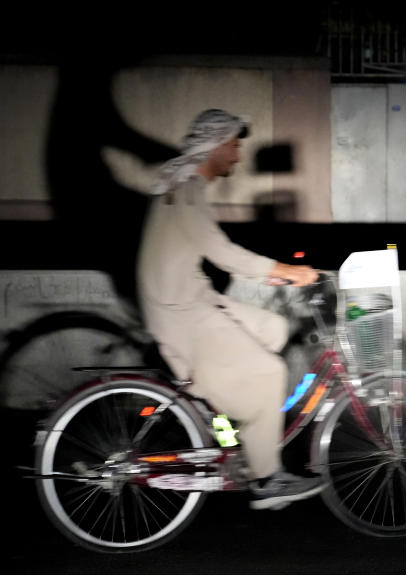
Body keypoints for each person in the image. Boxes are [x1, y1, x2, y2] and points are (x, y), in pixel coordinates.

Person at [138, 108, 324, 510]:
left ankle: (230, 425)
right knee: (270, 372)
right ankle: (266, 478)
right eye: (235, 145)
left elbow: (209, 250)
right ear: (217, 145)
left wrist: (270, 277)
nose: (238, 156)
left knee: (273, 329)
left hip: (191, 300)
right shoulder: (187, 190)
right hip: (182, 313)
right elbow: (220, 251)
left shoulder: (186, 187)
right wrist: (286, 270)